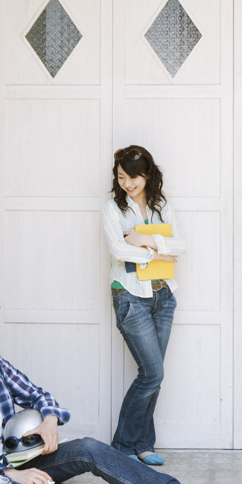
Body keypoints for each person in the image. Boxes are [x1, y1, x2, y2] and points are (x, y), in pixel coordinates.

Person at [0, 306, 218, 484]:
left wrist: (49, 420)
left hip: (18, 461)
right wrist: (8, 473)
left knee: (89, 448)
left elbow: (39, 395)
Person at [102, 145, 186, 465]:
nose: (128, 183)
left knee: (155, 374)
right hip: (129, 296)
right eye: (122, 177)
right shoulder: (113, 209)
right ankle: (122, 447)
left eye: (134, 177)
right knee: (152, 373)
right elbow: (118, 250)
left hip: (163, 296)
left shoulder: (162, 206)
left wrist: (146, 240)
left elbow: (182, 245)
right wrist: (158, 253)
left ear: (147, 175)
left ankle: (143, 444)